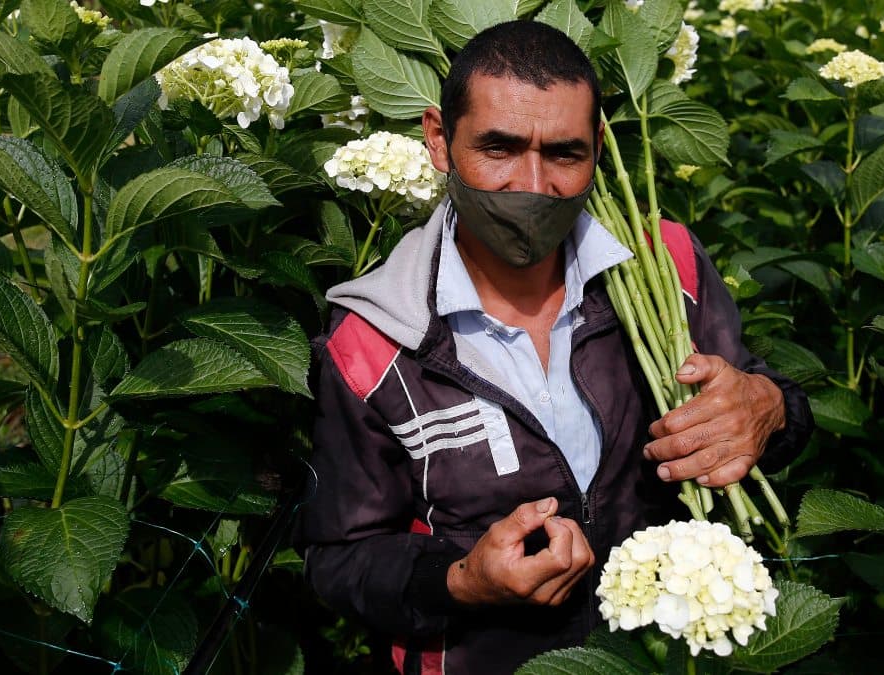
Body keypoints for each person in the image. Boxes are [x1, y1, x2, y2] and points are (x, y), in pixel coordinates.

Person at [295, 20, 813, 675]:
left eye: (565, 153)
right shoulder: (371, 342)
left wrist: (768, 406)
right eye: (499, 148)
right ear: (438, 140)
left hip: (667, 657)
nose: (532, 185)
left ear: (598, 145)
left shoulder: (667, 266)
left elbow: (758, 406)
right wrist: (461, 579)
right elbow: (339, 557)